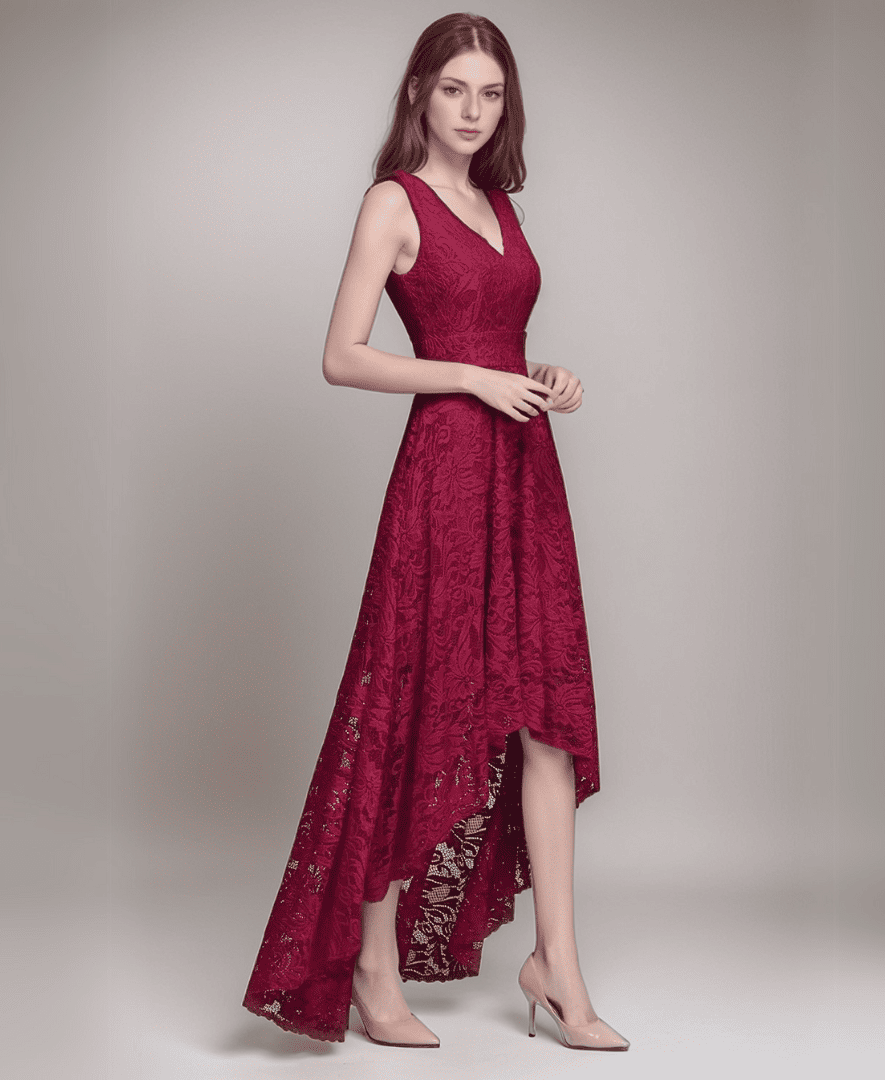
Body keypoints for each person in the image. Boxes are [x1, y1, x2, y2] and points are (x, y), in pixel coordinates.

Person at [242, 12, 628, 1052]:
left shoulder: (499, 202)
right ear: (418, 92)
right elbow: (342, 354)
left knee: (547, 720)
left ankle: (559, 967)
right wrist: (469, 375)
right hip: (447, 477)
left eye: (491, 94)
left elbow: (499, 336)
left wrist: (544, 375)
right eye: (455, 88)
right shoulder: (393, 201)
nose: (472, 110)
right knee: (417, 711)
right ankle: (372, 967)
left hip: (525, 475)